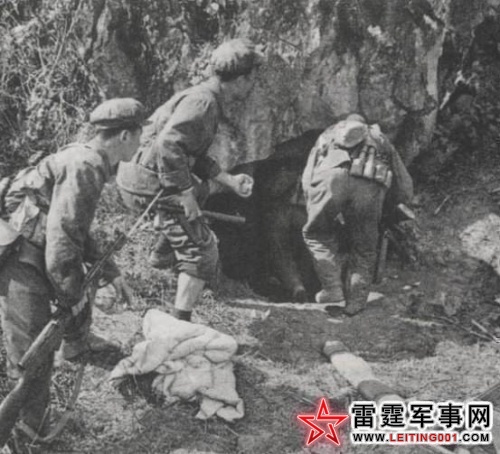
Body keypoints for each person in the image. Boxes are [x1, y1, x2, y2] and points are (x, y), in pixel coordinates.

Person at [0, 98, 145, 439]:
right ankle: (26, 433)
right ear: (125, 135)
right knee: (31, 356)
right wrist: (71, 296)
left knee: (37, 351)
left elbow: (75, 229)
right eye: (140, 135)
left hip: (29, 249)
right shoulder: (86, 165)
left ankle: (30, 426)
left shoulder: (83, 157)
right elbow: (63, 238)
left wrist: (111, 272)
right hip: (20, 258)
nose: (141, 144)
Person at [117, 38, 262, 323]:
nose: (253, 84)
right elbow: (168, 146)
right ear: (241, 79)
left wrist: (229, 180)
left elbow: (188, 152)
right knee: (203, 252)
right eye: (252, 77)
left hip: (140, 174)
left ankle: (161, 256)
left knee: (201, 190)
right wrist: (185, 195)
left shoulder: (202, 95)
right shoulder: (204, 103)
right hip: (146, 182)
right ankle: (179, 324)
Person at [302, 114, 413, 315]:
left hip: (330, 180)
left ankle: (332, 288)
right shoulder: (380, 139)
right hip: (369, 186)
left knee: (316, 233)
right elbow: (404, 186)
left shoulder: (328, 134)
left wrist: (314, 205)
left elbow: (308, 176)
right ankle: (355, 303)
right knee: (364, 249)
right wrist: (389, 205)